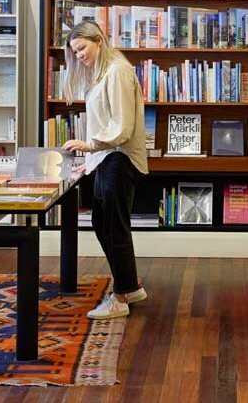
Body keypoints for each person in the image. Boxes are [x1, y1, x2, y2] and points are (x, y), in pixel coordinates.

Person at [62, 21, 149, 319]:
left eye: (82, 48)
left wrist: (90, 146)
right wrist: (92, 159)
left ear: (98, 40)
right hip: (108, 158)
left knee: (113, 226)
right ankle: (130, 286)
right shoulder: (101, 72)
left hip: (120, 157)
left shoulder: (117, 72)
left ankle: (120, 298)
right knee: (103, 222)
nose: (79, 56)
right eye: (75, 52)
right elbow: (106, 121)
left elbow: (121, 127)